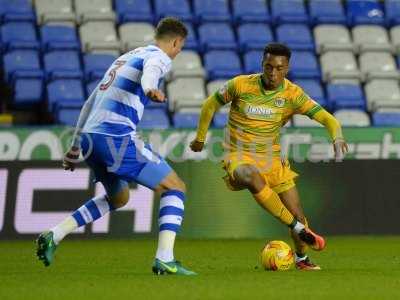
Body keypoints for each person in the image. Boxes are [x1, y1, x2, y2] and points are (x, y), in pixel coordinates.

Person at [36, 17, 196, 275]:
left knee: (119, 197)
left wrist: (76, 145)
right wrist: (151, 88)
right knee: (175, 187)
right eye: (180, 48)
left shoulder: (126, 57)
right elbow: (152, 72)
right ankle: (165, 258)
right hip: (115, 137)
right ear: (176, 42)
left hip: (91, 138)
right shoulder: (158, 56)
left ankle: (55, 234)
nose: (178, 53)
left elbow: (90, 101)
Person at [190, 43, 348, 270]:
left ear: (287, 68)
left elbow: (327, 118)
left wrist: (337, 137)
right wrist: (200, 138)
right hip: (239, 155)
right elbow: (209, 105)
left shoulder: (293, 94)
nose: (273, 73)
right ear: (262, 64)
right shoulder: (240, 84)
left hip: (272, 160)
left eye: (279, 68)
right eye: (268, 66)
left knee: (299, 214)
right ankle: (297, 228)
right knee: (250, 175)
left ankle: (302, 258)